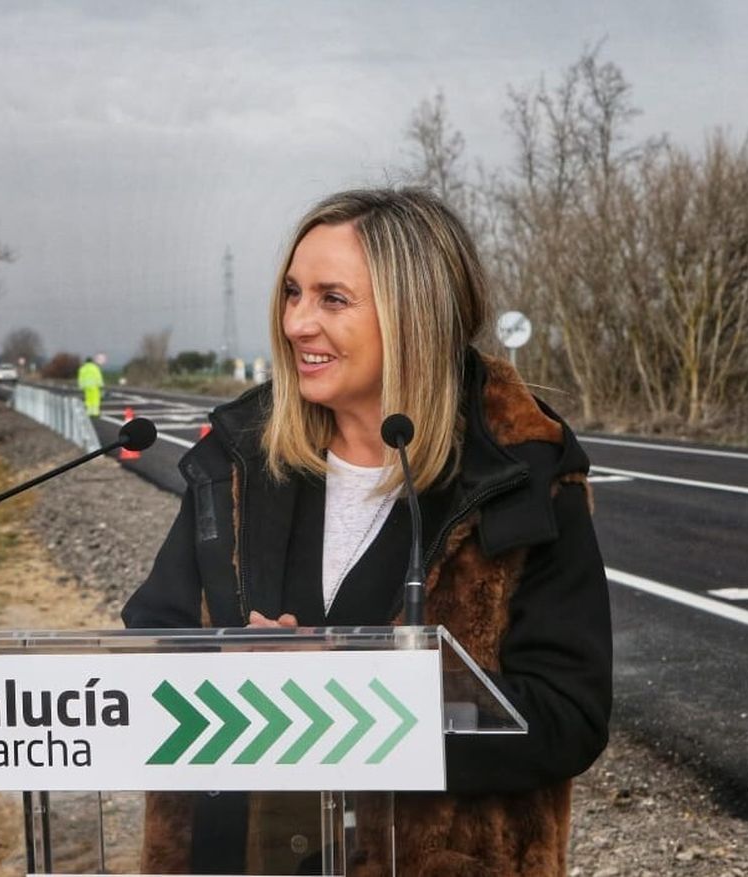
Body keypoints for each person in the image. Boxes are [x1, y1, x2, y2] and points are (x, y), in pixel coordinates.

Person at [122, 188, 612, 876]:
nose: (295, 322)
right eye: (293, 293)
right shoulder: (237, 458)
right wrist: (226, 673)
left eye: (331, 298)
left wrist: (349, 693)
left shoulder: (522, 472)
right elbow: (151, 646)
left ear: (416, 316)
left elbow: (567, 716)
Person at [77, 352, 105, 416]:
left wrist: (81, 385)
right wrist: (101, 384)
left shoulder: (83, 369)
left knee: (88, 399)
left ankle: (89, 411)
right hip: (94, 386)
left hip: (86, 386)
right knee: (95, 398)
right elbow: (98, 376)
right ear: (92, 361)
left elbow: (80, 378)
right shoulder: (95, 368)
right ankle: (95, 412)